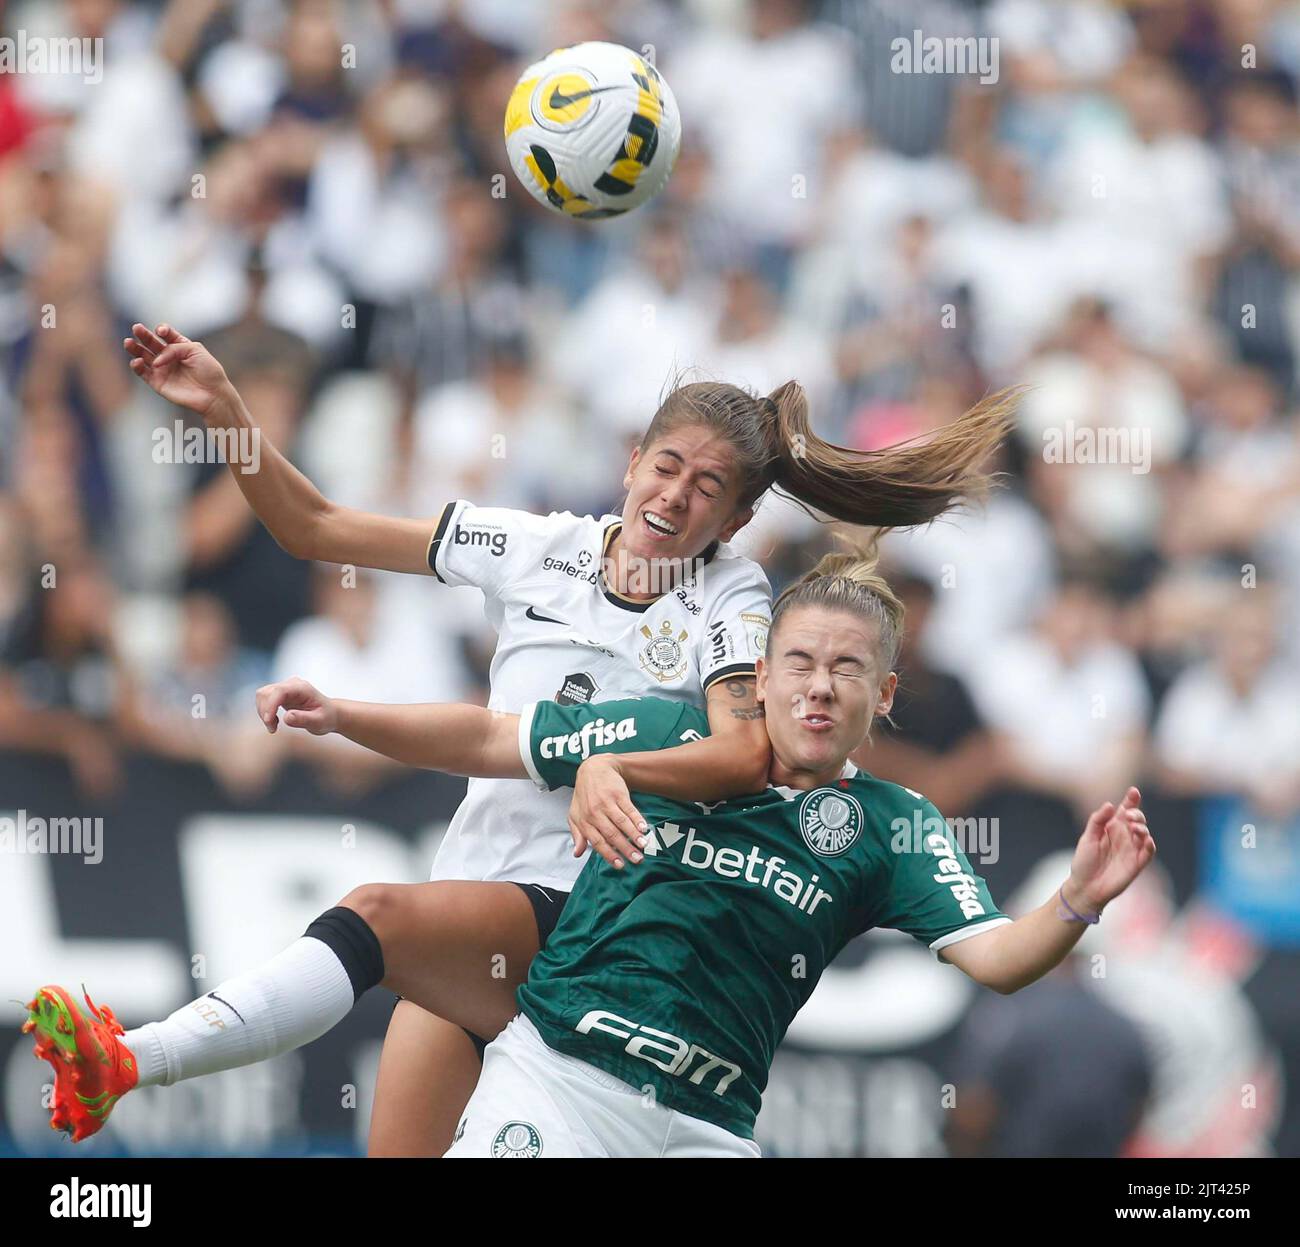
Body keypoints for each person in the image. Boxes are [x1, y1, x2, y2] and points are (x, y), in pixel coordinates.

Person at [119, 320, 1016, 1155]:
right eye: (667, 467)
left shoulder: (730, 595)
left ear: (737, 522)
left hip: (581, 919)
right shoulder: (532, 545)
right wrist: (229, 413)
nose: (678, 496)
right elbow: (313, 526)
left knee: (375, 916)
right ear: (631, 462)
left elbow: (747, 753)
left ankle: (134, 1059)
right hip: (472, 906)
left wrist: (604, 766)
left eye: (710, 490)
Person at [27, 549, 1154, 1155]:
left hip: (710, 1125)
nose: (818, 683)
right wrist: (349, 714)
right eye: (799, 660)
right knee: (383, 914)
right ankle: (137, 1059)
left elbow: (1002, 957)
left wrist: (1077, 897)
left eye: (847, 669)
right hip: (563, 1082)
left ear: (885, 694)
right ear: (758, 675)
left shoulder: (896, 825)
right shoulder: (668, 731)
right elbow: (488, 734)